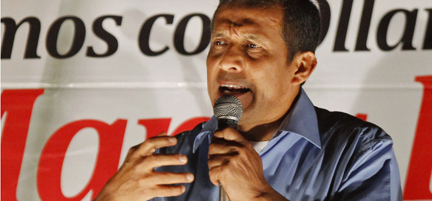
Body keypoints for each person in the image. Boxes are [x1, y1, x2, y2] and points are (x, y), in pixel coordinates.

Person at [95, 0, 402, 200]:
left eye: (252, 46)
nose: (227, 61)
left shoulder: (359, 151)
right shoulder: (168, 160)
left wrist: (257, 194)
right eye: (220, 42)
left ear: (300, 67)